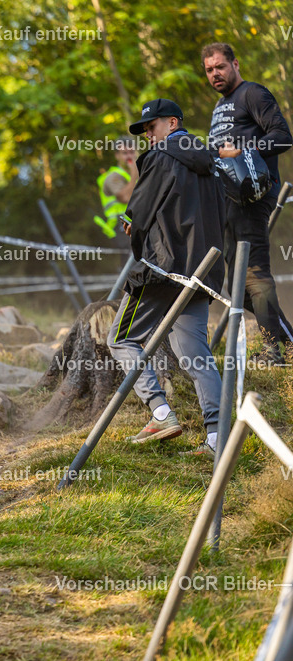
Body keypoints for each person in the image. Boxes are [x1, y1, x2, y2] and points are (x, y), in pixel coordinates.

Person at [107, 99, 225, 456]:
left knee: (121, 339)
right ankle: (219, 439)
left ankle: (160, 413)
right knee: (194, 355)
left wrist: (131, 225)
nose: (148, 135)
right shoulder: (212, 162)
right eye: (144, 130)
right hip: (204, 271)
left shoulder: (161, 156)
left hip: (164, 269)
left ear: (172, 123)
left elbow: (138, 213)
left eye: (151, 126)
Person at [203, 42, 293, 364]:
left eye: (220, 67)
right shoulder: (219, 107)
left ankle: (276, 350)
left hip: (254, 196)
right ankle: (286, 342)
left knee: (254, 274)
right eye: (209, 69)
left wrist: (243, 150)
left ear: (235, 64)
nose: (215, 73)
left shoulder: (253, 94)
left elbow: (283, 136)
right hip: (229, 203)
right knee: (238, 286)